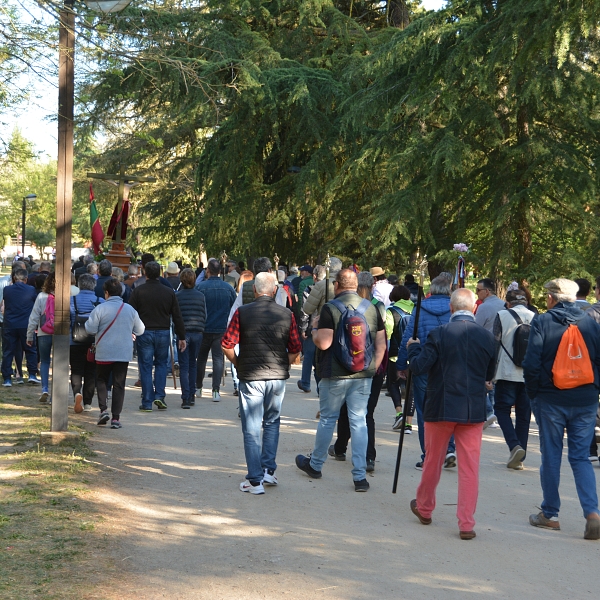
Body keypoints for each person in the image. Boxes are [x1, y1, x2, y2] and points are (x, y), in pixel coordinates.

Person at [408, 288, 496, 540]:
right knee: (469, 468)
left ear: (451, 308)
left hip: (441, 407)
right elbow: (489, 374)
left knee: (433, 460)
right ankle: (466, 523)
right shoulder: (487, 338)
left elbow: (419, 367)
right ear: (474, 308)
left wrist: (413, 348)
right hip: (472, 409)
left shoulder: (439, 334)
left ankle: (425, 508)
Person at [522, 278, 600, 540]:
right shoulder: (591, 321)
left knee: (551, 454)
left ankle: (550, 514)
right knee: (580, 458)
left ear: (553, 298)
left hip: (550, 399)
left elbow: (531, 363)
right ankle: (592, 513)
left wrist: (534, 394)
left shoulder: (542, 321)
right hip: (586, 399)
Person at [295, 269, 386, 492]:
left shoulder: (330, 308)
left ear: (337, 285)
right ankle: (359, 476)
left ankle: (315, 465)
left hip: (334, 374)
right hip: (363, 375)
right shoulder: (371, 308)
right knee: (359, 421)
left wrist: (315, 327)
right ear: (356, 285)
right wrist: (370, 368)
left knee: (327, 419)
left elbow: (324, 343)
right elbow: (382, 344)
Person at [222, 272, 302, 494]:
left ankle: (255, 479)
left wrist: (238, 363)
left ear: (255, 290)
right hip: (276, 377)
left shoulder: (242, 313)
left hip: (250, 375)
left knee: (251, 428)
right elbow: (296, 347)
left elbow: (227, 344)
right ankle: (268, 470)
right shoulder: (286, 314)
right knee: (272, 423)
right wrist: (281, 363)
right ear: (274, 290)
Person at [397, 273, 456, 470]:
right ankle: (448, 448)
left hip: (424, 365)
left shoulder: (420, 308)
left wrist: (401, 364)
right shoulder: (454, 310)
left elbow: (408, 336)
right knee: (449, 408)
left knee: (424, 412)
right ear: (449, 291)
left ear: (432, 290)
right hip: (449, 367)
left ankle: (428, 455)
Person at [329, 271, 387, 473]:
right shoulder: (376, 308)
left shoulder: (343, 306)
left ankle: (342, 449)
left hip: (348, 366)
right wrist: (375, 367)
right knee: (363, 414)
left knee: (350, 412)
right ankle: (364, 456)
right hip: (373, 367)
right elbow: (382, 342)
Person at [85, 278, 145, 428]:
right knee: (119, 384)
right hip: (122, 352)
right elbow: (140, 330)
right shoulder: (130, 309)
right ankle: (116, 418)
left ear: (106, 293)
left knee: (101, 380)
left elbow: (90, 329)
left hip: (104, 351)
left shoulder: (100, 309)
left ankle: (103, 410)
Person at [129, 261, 186, 411]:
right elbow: (177, 316)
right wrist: (181, 336)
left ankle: (147, 401)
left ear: (145, 273)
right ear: (160, 274)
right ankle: (159, 395)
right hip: (163, 332)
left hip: (144, 331)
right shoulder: (168, 292)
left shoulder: (138, 291)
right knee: (161, 364)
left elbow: (130, 313)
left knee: (146, 366)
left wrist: (130, 331)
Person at [492, 289, 536, 469]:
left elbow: (495, 343)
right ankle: (519, 458)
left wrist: (489, 374)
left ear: (508, 303)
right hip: (528, 374)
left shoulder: (502, 315)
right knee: (524, 415)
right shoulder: (536, 317)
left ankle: (514, 445)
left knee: (502, 410)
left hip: (506, 372)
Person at [196, 258, 237, 400]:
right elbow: (233, 307)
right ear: (220, 271)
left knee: (201, 358)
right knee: (218, 359)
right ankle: (215, 390)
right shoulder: (228, 288)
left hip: (204, 327)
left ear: (208, 270)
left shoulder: (201, 287)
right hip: (221, 328)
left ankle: (198, 387)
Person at [69, 273, 103, 412]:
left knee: (76, 370)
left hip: (74, 340)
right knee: (91, 371)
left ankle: (77, 393)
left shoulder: (71, 300)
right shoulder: (100, 301)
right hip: (94, 342)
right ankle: (88, 403)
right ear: (93, 285)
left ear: (79, 285)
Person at [2, 268, 39, 387]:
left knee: (8, 351)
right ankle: (32, 374)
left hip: (10, 324)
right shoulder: (31, 289)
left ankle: (7, 378)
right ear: (26, 279)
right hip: (26, 325)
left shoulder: (7, 290)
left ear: (14, 278)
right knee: (30, 349)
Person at [175, 268, 206, 408]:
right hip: (198, 332)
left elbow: (175, 315)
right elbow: (204, 313)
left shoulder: (177, 296)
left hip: (183, 333)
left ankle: (185, 397)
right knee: (193, 363)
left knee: (184, 365)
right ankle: (192, 395)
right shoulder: (200, 296)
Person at [386, 285, 414, 431]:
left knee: (392, 383)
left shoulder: (391, 311)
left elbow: (388, 333)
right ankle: (409, 423)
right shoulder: (417, 309)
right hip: (414, 354)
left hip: (395, 355)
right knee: (412, 388)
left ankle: (399, 413)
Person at [26, 273, 58, 402]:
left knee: (45, 361)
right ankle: (56, 393)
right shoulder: (66, 297)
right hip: (60, 333)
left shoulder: (41, 296)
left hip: (43, 332)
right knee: (58, 363)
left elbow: (34, 317)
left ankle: (45, 388)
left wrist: (29, 335)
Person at [298, 265, 326, 394]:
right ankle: (321, 385)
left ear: (314, 276)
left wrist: (303, 328)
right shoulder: (333, 289)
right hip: (327, 327)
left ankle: (305, 382)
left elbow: (305, 311)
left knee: (308, 356)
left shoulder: (310, 289)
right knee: (321, 358)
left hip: (312, 326)